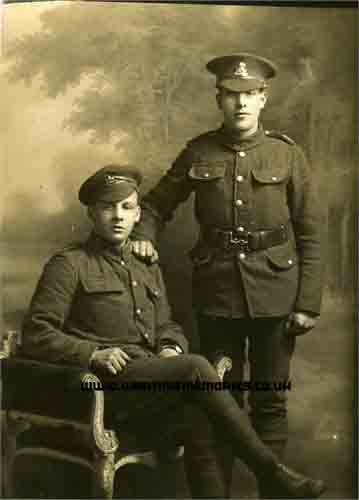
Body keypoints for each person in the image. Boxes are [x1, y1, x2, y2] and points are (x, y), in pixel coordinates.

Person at [22, 165, 325, 499]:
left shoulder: (145, 264)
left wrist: (170, 348)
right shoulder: (69, 264)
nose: (117, 216)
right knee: (196, 368)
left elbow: (166, 325)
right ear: (92, 213)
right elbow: (37, 333)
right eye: (107, 207)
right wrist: (93, 354)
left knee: (200, 417)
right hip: (103, 388)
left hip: (147, 383)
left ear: (139, 215)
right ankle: (270, 473)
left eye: (127, 207)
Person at [132, 53, 323, 498]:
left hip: (277, 293)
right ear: (219, 100)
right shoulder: (199, 151)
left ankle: (274, 494)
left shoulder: (287, 154)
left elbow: (311, 232)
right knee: (222, 402)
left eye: (250, 95)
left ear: (263, 99)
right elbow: (158, 204)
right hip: (217, 293)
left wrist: (307, 302)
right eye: (231, 96)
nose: (240, 104)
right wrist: (144, 233)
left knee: (270, 400)